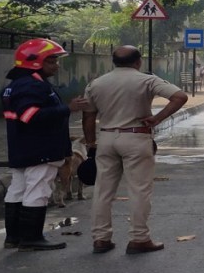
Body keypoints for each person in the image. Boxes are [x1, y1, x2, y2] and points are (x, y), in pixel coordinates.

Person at [81, 46, 188, 254]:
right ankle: (139, 238)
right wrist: (157, 119)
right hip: (136, 137)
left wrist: (91, 143)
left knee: (103, 190)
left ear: (113, 61)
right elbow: (180, 97)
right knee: (139, 190)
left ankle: (100, 238)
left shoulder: (96, 83)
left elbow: (88, 116)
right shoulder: (147, 80)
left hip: (106, 137)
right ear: (138, 61)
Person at [1, 39, 89, 251]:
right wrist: (68, 108)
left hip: (23, 147)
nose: (56, 65)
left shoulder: (15, 85)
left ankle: (14, 237)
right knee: (38, 189)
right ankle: (31, 238)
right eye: (51, 61)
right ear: (34, 62)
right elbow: (31, 116)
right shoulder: (32, 85)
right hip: (39, 148)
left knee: (18, 189)